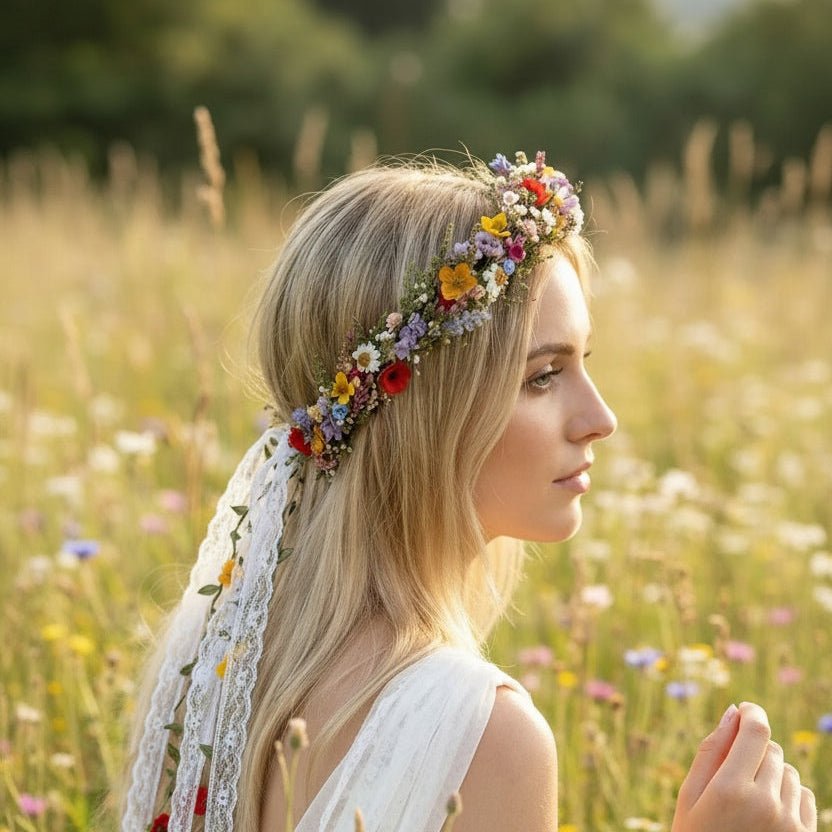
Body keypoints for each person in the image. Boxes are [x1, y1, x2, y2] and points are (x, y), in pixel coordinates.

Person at [114, 152, 817, 832]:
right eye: (543, 376)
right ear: (428, 411)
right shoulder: (481, 735)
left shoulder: (214, 664)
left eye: (583, 363)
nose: (600, 420)